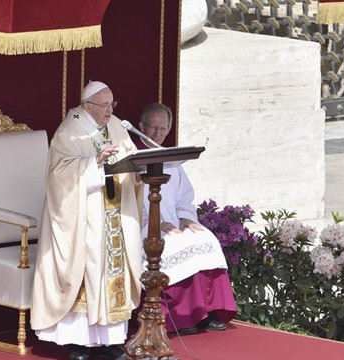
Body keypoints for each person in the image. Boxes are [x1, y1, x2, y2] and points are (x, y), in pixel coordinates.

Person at [31, 81, 143, 360]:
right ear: (87, 106)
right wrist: (94, 163)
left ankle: (111, 339)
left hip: (113, 215)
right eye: (104, 106)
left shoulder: (116, 125)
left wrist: (140, 169)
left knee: (112, 270)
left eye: (112, 104)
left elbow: (131, 156)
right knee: (86, 268)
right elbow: (58, 175)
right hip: (84, 219)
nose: (110, 110)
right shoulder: (69, 131)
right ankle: (79, 342)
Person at [137, 103, 237, 334]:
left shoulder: (172, 162)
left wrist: (185, 219)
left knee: (205, 239)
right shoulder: (132, 162)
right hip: (143, 229)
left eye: (163, 129)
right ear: (141, 126)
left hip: (174, 225)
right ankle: (183, 317)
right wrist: (155, 223)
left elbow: (184, 197)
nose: (158, 133)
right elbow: (127, 203)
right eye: (153, 127)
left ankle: (210, 312)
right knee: (173, 245)